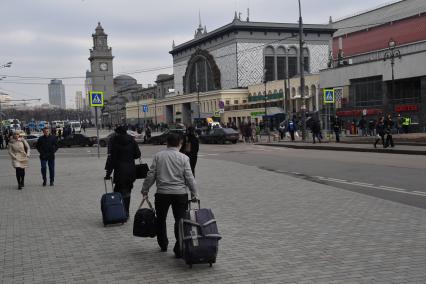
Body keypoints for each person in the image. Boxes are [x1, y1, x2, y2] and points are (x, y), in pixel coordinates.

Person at [141, 133, 198, 258]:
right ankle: (178, 248)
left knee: (161, 220)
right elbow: (189, 178)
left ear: (167, 143)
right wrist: (194, 193)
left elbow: (151, 175)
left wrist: (145, 189)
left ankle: (163, 244)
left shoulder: (158, 156)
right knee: (180, 221)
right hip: (180, 194)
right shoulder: (183, 158)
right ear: (180, 143)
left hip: (162, 194)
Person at [104, 125, 141, 219]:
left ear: (117, 132)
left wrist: (108, 174)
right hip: (131, 171)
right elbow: (137, 155)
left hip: (119, 171)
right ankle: (126, 212)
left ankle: (120, 212)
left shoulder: (114, 141)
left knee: (118, 191)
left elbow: (112, 160)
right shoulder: (132, 140)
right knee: (127, 191)